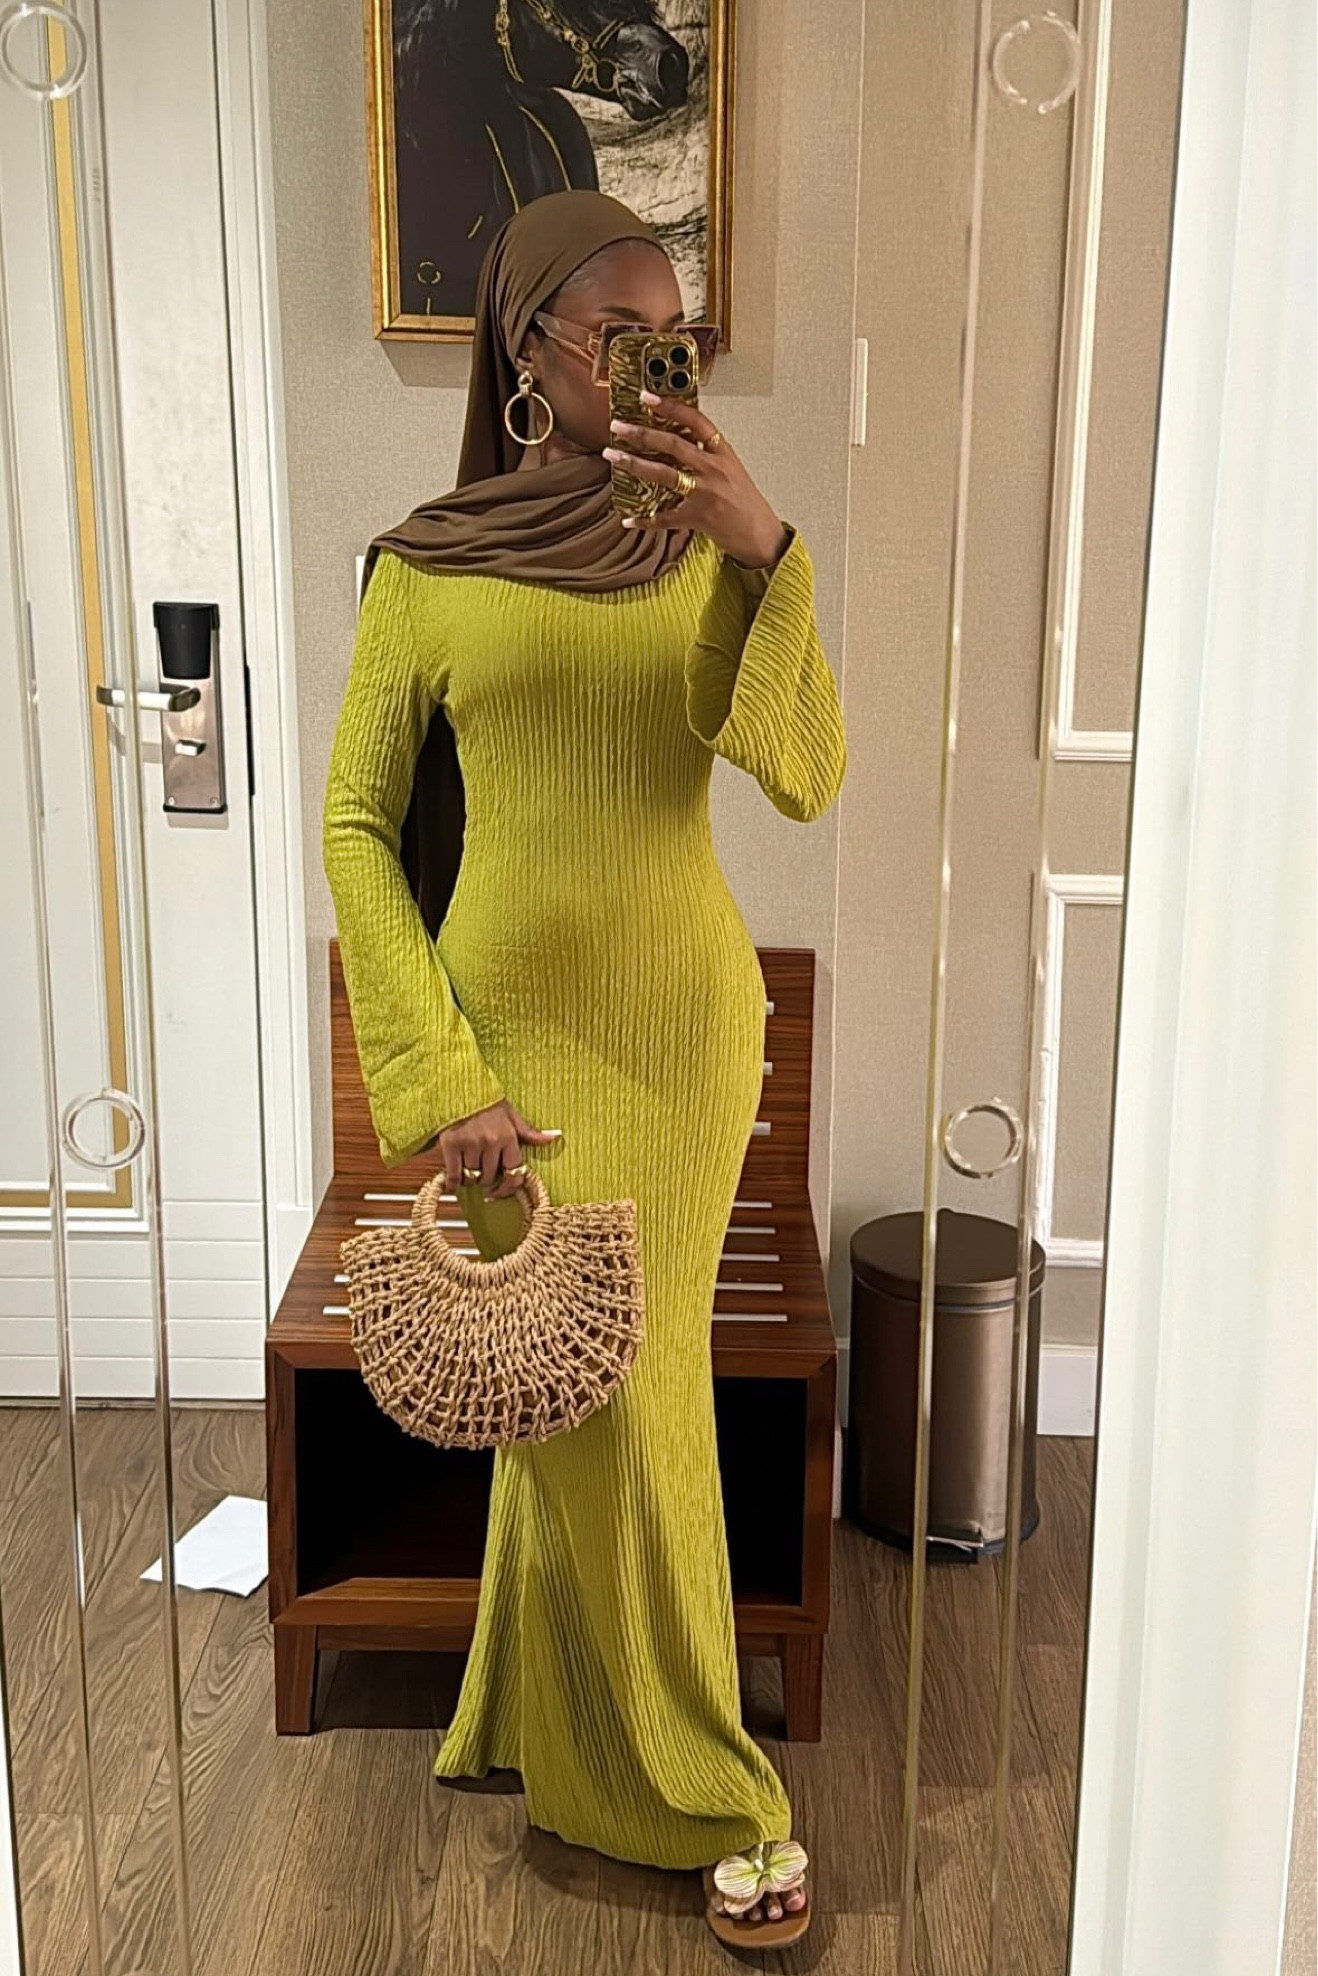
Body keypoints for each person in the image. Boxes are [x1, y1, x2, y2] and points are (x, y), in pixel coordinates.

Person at [322, 187, 846, 1949]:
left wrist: (762, 549)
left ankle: (676, 1771)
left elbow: (804, 775)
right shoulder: (424, 566)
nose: (651, 368)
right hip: (509, 1054)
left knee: (633, 1388)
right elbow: (355, 825)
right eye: (620, 336)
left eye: (673, 339)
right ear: (528, 346)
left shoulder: (692, 540)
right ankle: (625, 1753)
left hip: (684, 1033)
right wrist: (437, 1072)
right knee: (573, 1397)